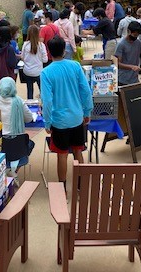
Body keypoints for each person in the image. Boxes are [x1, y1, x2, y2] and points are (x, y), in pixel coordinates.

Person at [41, 36, 93, 190]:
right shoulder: (75, 66)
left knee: (62, 155)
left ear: (49, 52)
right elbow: (85, 91)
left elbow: (47, 101)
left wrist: (47, 122)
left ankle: (62, 188)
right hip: (77, 117)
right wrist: (87, 111)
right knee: (78, 151)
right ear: (64, 50)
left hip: (59, 121)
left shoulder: (46, 72)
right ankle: (81, 185)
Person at [0, 77, 35, 172]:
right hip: (17, 147)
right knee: (30, 144)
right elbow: (29, 119)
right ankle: (15, 170)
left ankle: (2, 170)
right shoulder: (19, 101)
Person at [20, 25, 48, 100]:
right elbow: (45, 60)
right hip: (38, 72)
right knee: (42, 90)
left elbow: (22, 57)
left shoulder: (25, 44)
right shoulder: (41, 45)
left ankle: (30, 104)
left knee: (30, 90)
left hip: (28, 71)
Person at [114, 21, 141, 86]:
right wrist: (131, 67)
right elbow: (118, 63)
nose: (136, 37)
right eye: (134, 35)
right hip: (123, 78)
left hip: (134, 78)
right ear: (128, 31)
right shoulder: (121, 44)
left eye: (137, 35)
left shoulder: (138, 43)